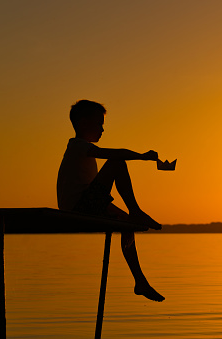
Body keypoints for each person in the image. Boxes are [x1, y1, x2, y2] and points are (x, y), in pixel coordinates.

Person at [57, 99, 165, 302]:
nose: (102, 130)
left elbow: (91, 190)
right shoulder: (78, 146)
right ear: (83, 123)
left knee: (127, 225)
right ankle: (136, 211)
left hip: (86, 203)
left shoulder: (83, 149)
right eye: (99, 124)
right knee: (116, 163)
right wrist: (142, 156)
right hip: (77, 208)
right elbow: (114, 155)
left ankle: (140, 280)